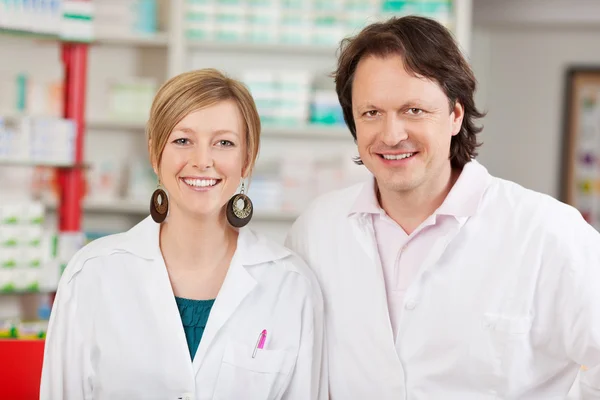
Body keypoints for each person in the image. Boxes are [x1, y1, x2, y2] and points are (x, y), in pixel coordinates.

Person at [285, 15, 600, 399]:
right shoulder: (317, 231)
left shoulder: (547, 232)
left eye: (414, 110)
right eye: (371, 113)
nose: (392, 134)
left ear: (455, 115)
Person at [40, 69, 327, 400]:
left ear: (247, 159)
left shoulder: (291, 286)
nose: (202, 161)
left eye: (224, 143)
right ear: (154, 153)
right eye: (182, 140)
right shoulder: (91, 275)